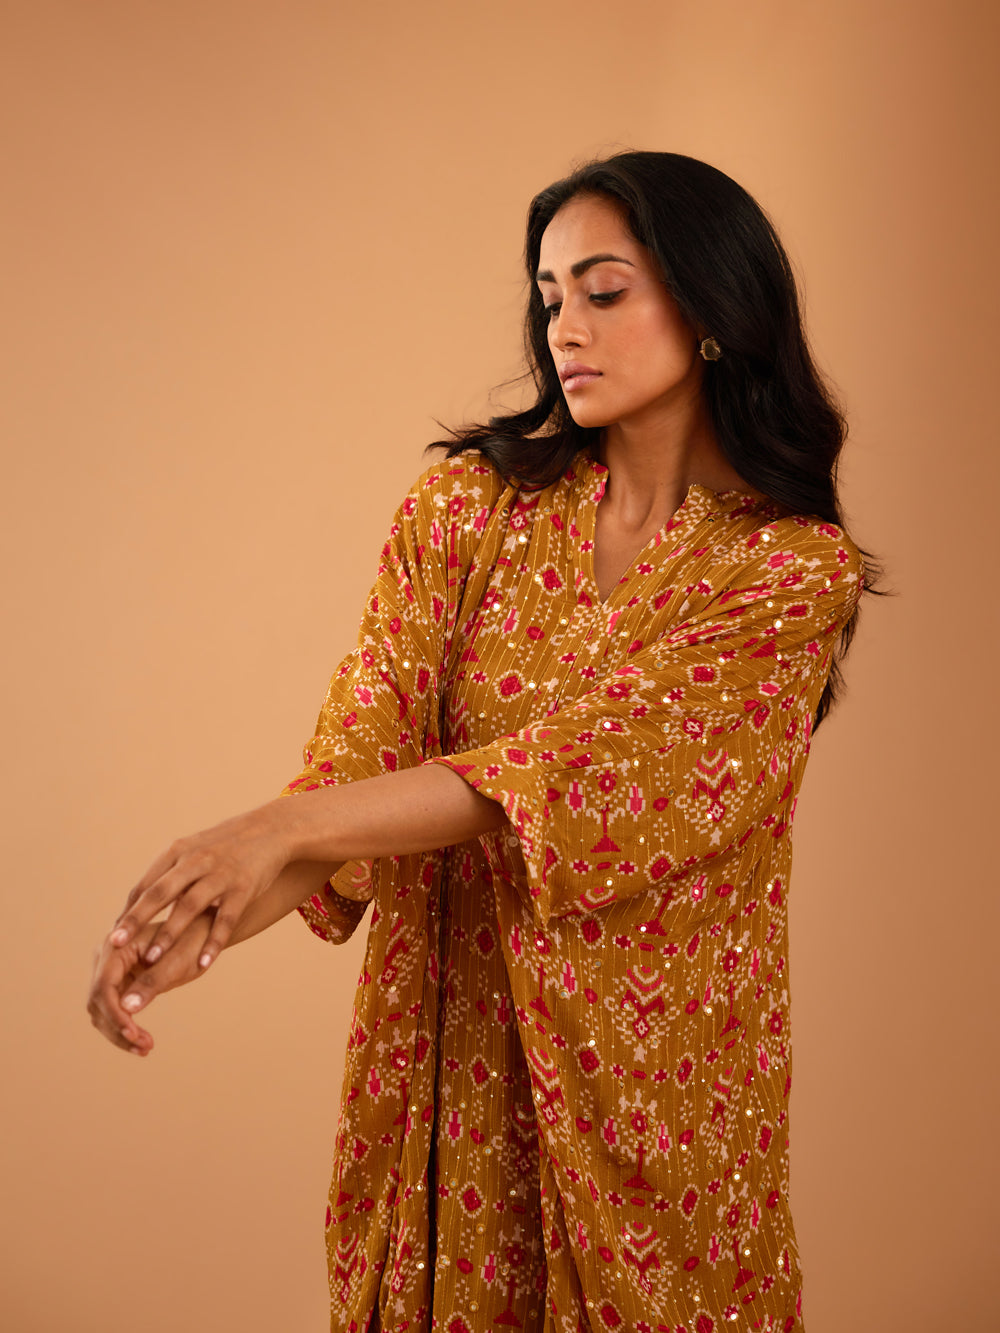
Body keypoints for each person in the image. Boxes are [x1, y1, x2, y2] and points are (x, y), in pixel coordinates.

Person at [89, 151, 871, 1332]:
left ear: (713, 307)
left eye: (603, 291)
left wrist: (270, 828)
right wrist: (182, 924)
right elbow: (352, 782)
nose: (565, 328)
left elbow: (576, 776)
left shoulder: (786, 573)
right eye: (549, 297)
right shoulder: (463, 515)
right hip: (443, 1097)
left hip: (655, 1115)